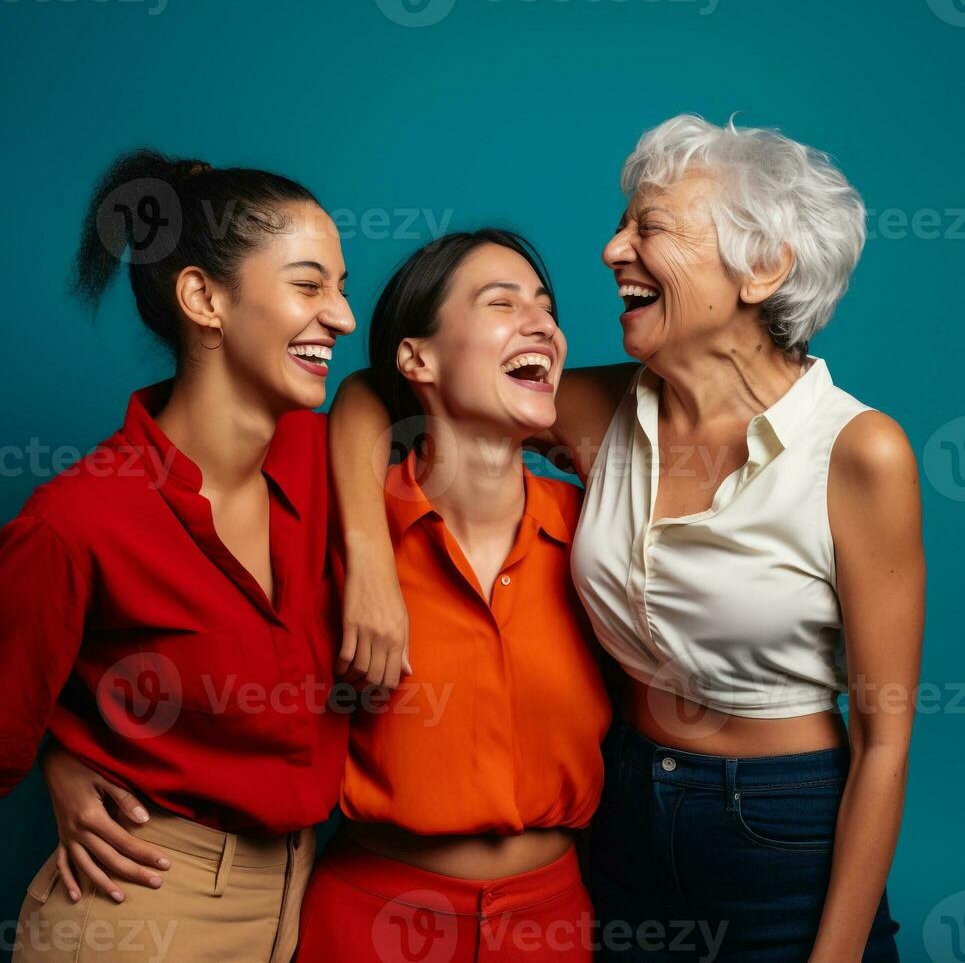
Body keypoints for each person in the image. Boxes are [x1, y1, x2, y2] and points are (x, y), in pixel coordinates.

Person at [327, 116, 925, 961]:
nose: (610, 251)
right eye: (621, 226)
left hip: (782, 826)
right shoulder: (598, 409)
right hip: (622, 812)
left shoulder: (858, 452)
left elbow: (884, 741)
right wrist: (366, 564)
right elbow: (374, 390)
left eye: (649, 228)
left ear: (761, 268)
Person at [0, 148, 356, 962]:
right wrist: (65, 750)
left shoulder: (329, 455)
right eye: (309, 286)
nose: (341, 317)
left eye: (341, 287)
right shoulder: (77, 519)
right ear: (203, 297)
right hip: (140, 907)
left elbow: (411, 393)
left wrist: (365, 557)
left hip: (303, 900)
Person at [295, 230, 613, 961]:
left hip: (553, 922)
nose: (540, 322)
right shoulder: (336, 525)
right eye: (501, 303)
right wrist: (77, 761)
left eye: (545, 306)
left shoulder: (598, 537)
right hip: (368, 921)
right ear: (416, 359)